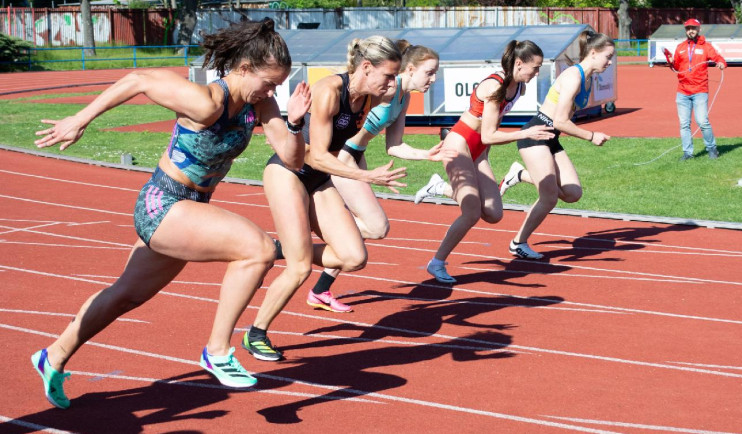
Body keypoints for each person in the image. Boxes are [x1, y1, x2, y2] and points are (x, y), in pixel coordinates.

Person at [30, 18, 311, 408]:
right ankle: (217, 351)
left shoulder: (260, 105)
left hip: (191, 210)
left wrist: (294, 121)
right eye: (268, 82)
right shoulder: (206, 101)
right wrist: (80, 119)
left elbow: (292, 159)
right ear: (244, 69)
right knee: (258, 249)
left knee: (124, 296)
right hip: (163, 204)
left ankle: (53, 355)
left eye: (277, 85)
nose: (272, 90)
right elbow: (138, 79)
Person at [241, 35, 406, 361]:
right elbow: (316, 155)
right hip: (289, 173)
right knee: (300, 267)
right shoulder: (329, 90)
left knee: (354, 257)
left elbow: (346, 148)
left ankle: (280, 249)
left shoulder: (371, 98)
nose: (393, 83)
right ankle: (256, 333)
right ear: (367, 67)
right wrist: (364, 176)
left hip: (319, 180)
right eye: (388, 75)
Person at [305, 40, 457, 312]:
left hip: (356, 155)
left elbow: (394, 146)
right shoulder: (385, 88)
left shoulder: (404, 96)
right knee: (375, 227)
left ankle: (320, 287)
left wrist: (427, 155)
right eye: (429, 72)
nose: (433, 79)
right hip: (343, 156)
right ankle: (296, 247)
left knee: (371, 230)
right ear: (409, 69)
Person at [413, 40, 555, 283]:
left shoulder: (518, 87)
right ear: (519, 64)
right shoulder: (494, 85)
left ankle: (439, 187)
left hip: (479, 149)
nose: (537, 73)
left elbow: (490, 129)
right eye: (535, 67)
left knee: (493, 213)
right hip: (459, 144)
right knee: (471, 212)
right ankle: (437, 263)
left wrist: (484, 154)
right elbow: (488, 132)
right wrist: (525, 133)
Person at [498, 30, 614, 260]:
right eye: (607, 56)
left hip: (551, 137)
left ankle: (519, 175)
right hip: (535, 134)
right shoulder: (574, 76)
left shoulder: (589, 78)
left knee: (572, 193)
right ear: (593, 53)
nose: (610, 62)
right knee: (549, 197)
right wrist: (591, 136)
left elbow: (560, 124)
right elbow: (560, 120)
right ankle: (518, 242)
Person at [672, 18, 726, 161]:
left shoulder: (706, 47)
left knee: (702, 121)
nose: (691, 30)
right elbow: (676, 66)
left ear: (699, 29)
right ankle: (687, 153)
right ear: (685, 30)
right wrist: (670, 62)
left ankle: (712, 148)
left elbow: (718, 58)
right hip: (682, 91)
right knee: (684, 124)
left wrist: (720, 63)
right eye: (688, 28)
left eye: (693, 28)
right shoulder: (680, 47)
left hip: (700, 90)